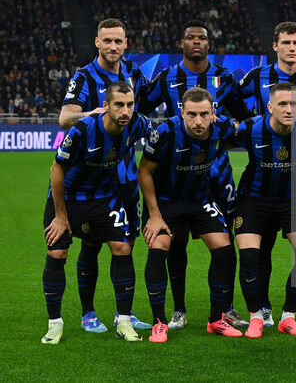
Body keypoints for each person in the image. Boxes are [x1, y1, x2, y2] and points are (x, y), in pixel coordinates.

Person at [139, 19, 253, 329]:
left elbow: (243, 118)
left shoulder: (224, 77)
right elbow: (141, 110)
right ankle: (178, 310)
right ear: (182, 43)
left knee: (224, 241)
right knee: (175, 244)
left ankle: (225, 309)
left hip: (217, 175)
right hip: (175, 173)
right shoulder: (166, 78)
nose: (196, 42)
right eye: (190, 38)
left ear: (208, 43)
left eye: (201, 38)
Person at [58, 18, 151, 332]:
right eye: (107, 41)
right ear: (97, 42)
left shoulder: (133, 74)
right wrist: (91, 113)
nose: (113, 47)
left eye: (119, 42)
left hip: (126, 179)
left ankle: (123, 313)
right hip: (93, 178)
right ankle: (88, 312)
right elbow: (64, 118)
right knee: (91, 245)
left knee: (125, 243)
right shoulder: (85, 76)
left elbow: (142, 111)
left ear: (126, 44)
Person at [238, 21, 296, 326]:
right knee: (261, 245)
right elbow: (234, 105)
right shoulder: (257, 77)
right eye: (286, 43)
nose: (291, 48)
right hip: (269, 174)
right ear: (275, 46)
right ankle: (263, 305)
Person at [42, 82, 152, 344]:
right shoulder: (83, 129)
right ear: (105, 106)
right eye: (118, 105)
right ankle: (55, 325)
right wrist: (60, 215)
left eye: (130, 104)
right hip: (69, 197)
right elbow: (56, 169)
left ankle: (124, 321)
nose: (125, 111)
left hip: (105, 196)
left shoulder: (137, 123)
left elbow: (165, 130)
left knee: (123, 248)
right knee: (57, 252)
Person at [138, 88, 242, 342]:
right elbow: (144, 172)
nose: (198, 121)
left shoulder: (223, 127)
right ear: (182, 112)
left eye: (204, 114)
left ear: (213, 113)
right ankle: (159, 322)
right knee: (159, 248)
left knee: (225, 249)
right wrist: (154, 215)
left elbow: (240, 130)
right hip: (165, 202)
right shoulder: (164, 133)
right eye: (192, 114)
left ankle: (216, 319)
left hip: (200, 199)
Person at [230, 82, 296, 338]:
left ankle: (288, 317)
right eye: (282, 104)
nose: (288, 109)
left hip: (292, 200)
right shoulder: (250, 128)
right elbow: (218, 139)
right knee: (250, 258)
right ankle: (256, 317)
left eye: (293, 104)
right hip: (254, 200)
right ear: (270, 107)